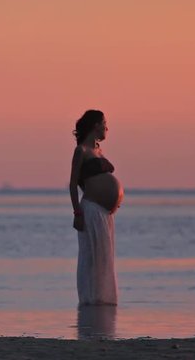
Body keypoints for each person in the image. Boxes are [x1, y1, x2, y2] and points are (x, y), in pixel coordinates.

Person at [69, 110, 123, 306]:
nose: (106, 128)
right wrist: (77, 212)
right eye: (104, 123)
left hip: (105, 213)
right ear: (94, 125)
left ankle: (103, 301)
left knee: (104, 256)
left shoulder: (99, 151)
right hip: (90, 209)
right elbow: (73, 183)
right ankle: (90, 300)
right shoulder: (81, 151)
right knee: (91, 255)